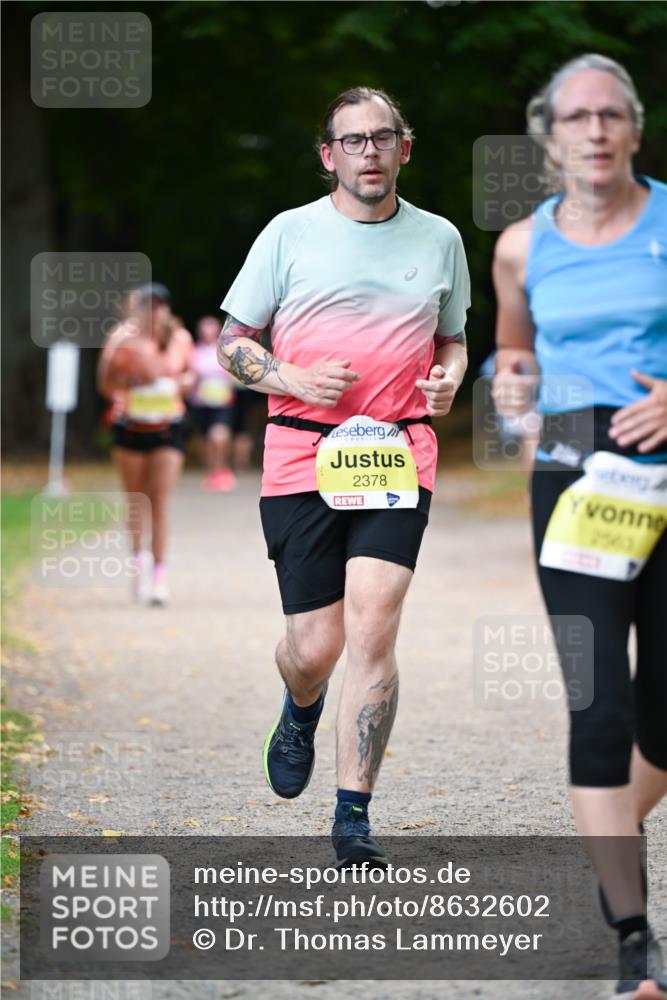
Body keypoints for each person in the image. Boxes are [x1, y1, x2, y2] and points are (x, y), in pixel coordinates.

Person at [217, 86, 470, 867]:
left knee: (373, 623)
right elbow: (232, 343)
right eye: (353, 140)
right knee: (314, 645)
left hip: (397, 451)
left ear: (404, 147)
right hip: (301, 451)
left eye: (382, 137)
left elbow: (453, 340)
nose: (369, 152)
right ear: (329, 155)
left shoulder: (440, 238)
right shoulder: (288, 233)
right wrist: (290, 377)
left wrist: (449, 379)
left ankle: (352, 815)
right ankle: (300, 708)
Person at [491, 54, 667, 999]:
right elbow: (512, 349)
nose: (594, 130)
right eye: (576, 117)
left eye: (610, 114)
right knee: (597, 704)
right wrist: (509, 384)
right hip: (571, 474)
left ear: (633, 127)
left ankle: (604, 838)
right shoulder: (520, 246)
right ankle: (631, 936)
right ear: (548, 134)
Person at [97, 283, 193, 606]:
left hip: (168, 427)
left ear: (167, 309)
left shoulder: (180, 338)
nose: (154, 311)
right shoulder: (121, 338)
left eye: (159, 305)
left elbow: (191, 376)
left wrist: (180, 384)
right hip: (132, 427)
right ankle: (137, 564)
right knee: (137, 500)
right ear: (136, 309)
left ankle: (159, 577)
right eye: (147, 305)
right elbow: (106, 383)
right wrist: (126, 390)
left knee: (161, 501)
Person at [188, 315, 237, 492]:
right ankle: (211, 472)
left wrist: (230, 383)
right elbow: (191, 375)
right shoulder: (194, 351)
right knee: (205, 440)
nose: (207, 333)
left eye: (211, 329)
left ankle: (223, 469)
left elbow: (234, 375)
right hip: (200, 402)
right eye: (204, 330)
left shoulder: (225, 349)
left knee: (219, 436)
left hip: (222, 401)